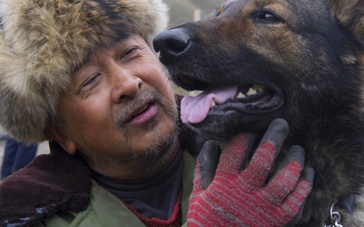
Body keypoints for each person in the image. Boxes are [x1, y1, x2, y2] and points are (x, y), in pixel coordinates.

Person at [0, 0, 314, 226]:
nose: (128, 82)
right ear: (61, 132)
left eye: (130, 52)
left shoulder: (274, 157)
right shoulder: (24, 214)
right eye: (89, 80)